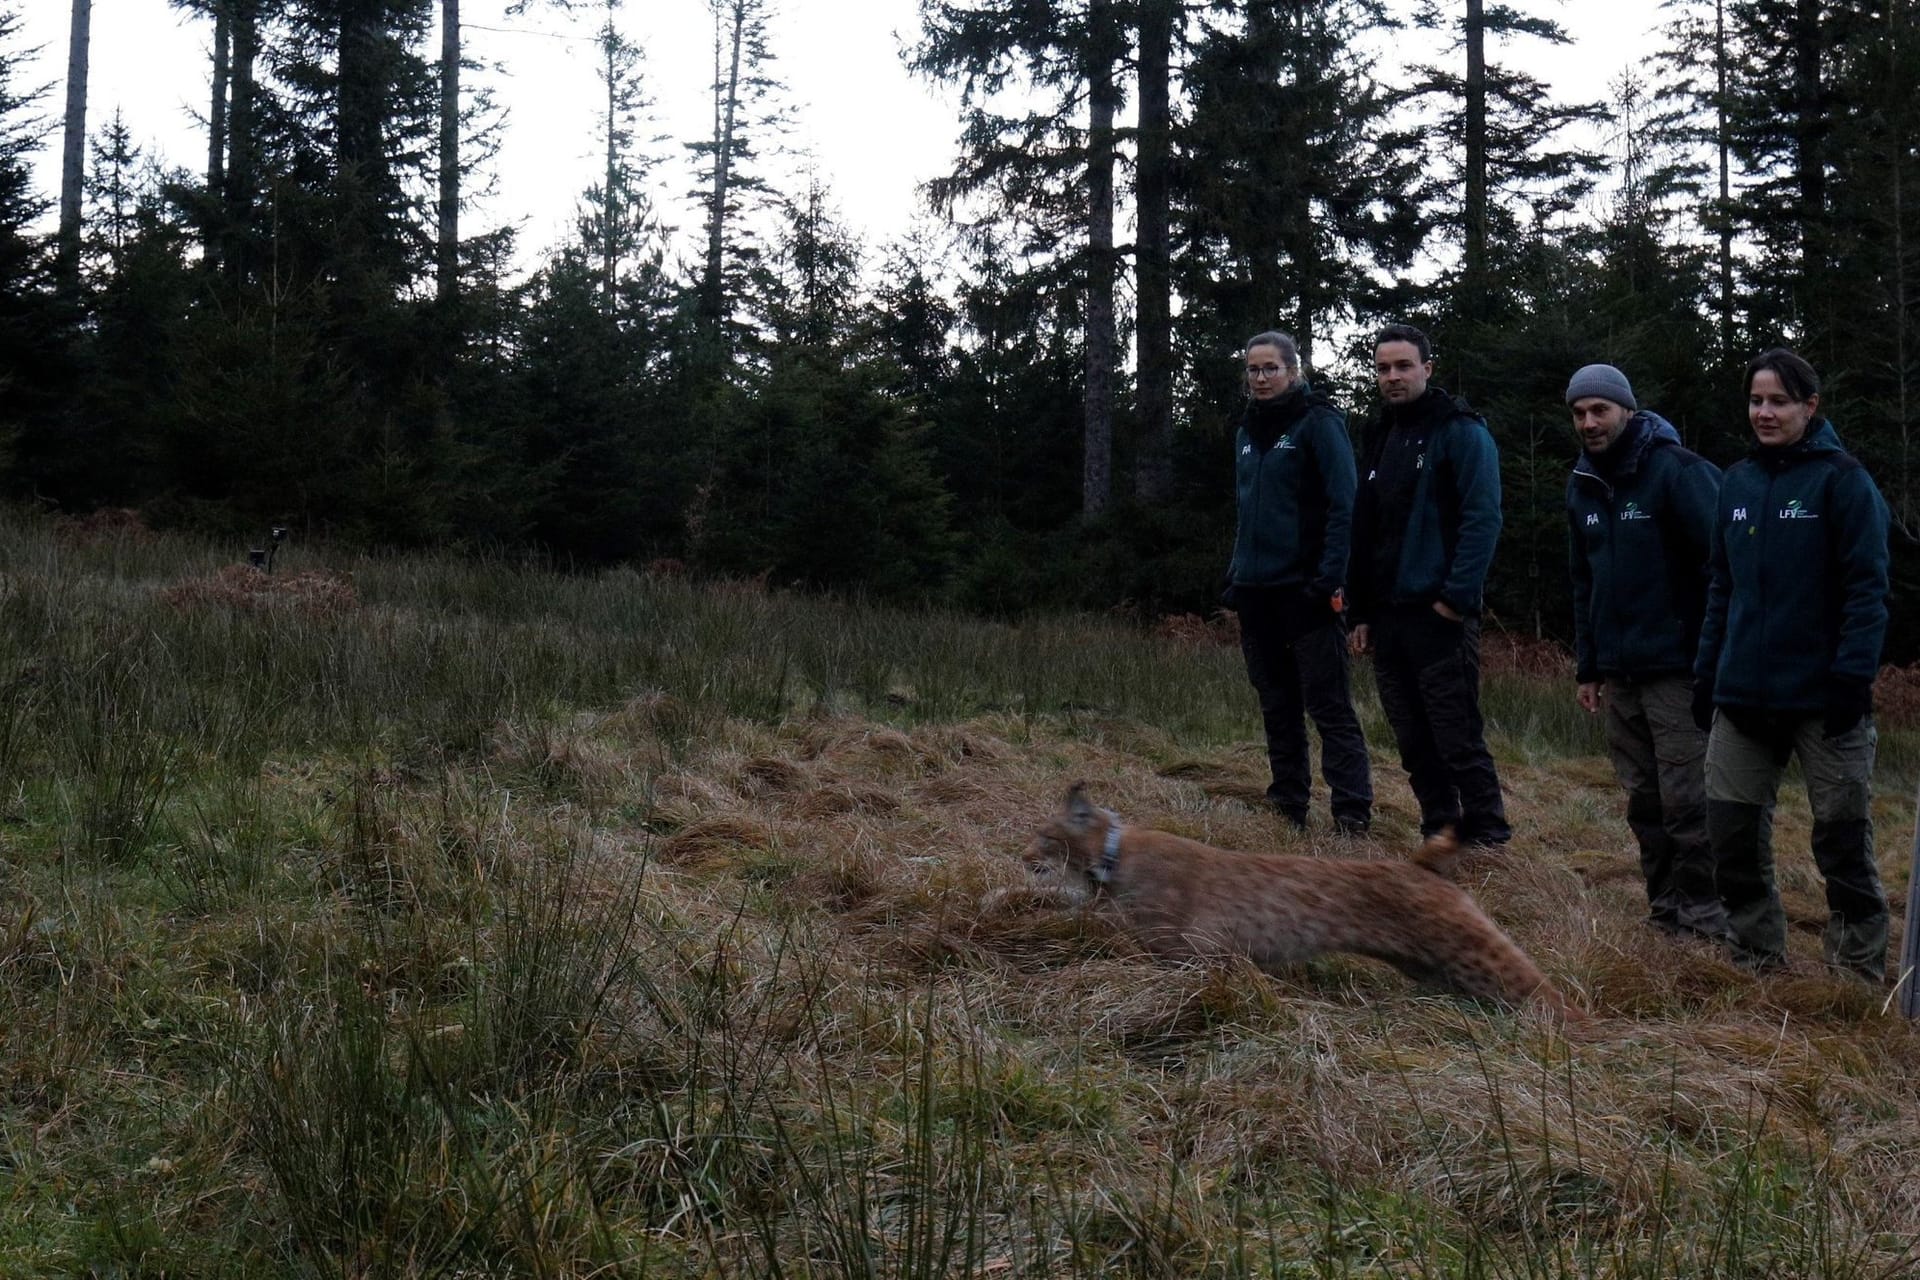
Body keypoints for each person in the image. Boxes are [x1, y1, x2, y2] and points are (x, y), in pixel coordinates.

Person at [1692, 348, 1891, 980]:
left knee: (1840, 841)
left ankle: (1855, 975)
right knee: (1731, 835)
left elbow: (1868, 587)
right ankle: (1756, 958)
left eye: (1779, 401)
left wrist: (1851, 679)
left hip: (1825, 699)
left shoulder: (1843, 480)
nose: (1765, 412)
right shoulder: (1738, 483)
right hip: (1743, 696)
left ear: (1810, 406)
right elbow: (1721, 585)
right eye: (1756, 401)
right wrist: (1706, 674)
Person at [1564, 363, 1727, 939]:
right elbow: (1583, 582)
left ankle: (1706, 918)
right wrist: (1589, 666)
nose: (1589, 422)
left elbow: (1724, 566)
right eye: (1579, 413)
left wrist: (1711, 654)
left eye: (1599, 410)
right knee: (1643, 802)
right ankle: (1665, 911)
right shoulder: (1582, 482)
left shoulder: (1677, 472)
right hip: (1619, 672)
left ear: (1626, 409)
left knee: (1689, 802)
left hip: (1678, 670)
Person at [1348, 323, 1509, 847]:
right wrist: (1361, 612)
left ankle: (1488, 838)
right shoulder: (1381, 433)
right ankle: (1440, 832)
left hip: (1438, 615)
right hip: (1388, 616)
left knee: (1456, 735)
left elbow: (1482, 519)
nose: (1392, 377)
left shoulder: (1461, 432)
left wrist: (1455, 600)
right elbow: (1365, 527)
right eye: (1382, 368)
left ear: (1427, 369)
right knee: (1413, 739)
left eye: (1402, 366)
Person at [1224, 330, 1373, 834]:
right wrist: (1236, 577)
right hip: (1256, 593)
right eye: (1253, 369)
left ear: (1293, 371)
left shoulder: (1319, 424)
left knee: (1329, 707)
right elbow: (1246, 512)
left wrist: (1329, 578)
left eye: (1271, 368)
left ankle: (1351, 815)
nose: (1261, 378)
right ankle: (1288, 806)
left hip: (1306, 593)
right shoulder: (1246, 432)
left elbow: (1344, 505)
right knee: (1276, 704)